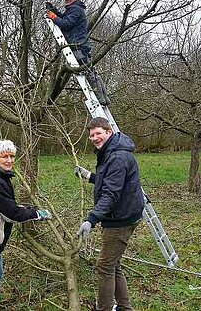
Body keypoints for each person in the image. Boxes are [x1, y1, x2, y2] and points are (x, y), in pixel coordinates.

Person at [0, 140, 51, 311]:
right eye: (4, 156)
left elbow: (7, 205)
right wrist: (36, 214)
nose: (9, 160)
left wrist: (27, 210)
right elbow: (11, 213)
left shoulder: (0, 178)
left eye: (12, 156)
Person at [75, 117, 145, 311]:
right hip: (124, 213)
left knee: (105, 266)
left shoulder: (117, 157)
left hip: (120, 219)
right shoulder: (111, 152)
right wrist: (90, 177)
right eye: (91, 135)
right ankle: (124, 307)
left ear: (109, 132)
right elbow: (111, 181)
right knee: (113, 264)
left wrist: (91, 219)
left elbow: (111, 194)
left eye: (99, 133)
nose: (95, 138)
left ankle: (104, 309)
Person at [46, 0, 110, 106]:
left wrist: (53, 17)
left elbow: (66, 24)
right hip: (80, 45)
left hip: (77, 46)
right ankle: (104, 98)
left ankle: (101, 99)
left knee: (87, 72)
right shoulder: (74, 10)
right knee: (91, 72)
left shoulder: (75, 10)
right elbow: (65, 18)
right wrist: (54, 11)